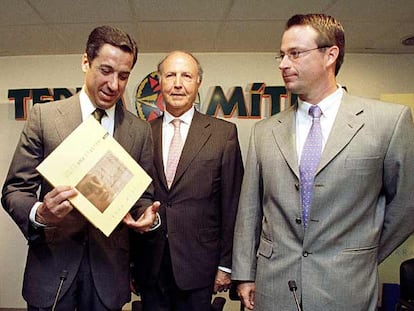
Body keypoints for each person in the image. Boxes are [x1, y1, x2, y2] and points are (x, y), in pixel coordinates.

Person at [231, 13, 414, 311]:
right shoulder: (264, 132)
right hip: (274, 285)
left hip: (347, 286)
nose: (283, 64)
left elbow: (407, 203)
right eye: (282, 55)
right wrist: (244, 275)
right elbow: (249, 210)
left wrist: (362, 252)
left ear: (331, 55)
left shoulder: (388, 122)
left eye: (295, 54)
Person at [2, 25, 160, 311]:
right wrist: (40, 213)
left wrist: (147, 217)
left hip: (109, 277)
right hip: (51, 270)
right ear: (85, 62)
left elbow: (142, 198)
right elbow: (14, 190)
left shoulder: (139, 131)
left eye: (123, 76)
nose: (114, 84)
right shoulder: (45, 117)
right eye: (105, 70)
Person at [130, 50, 244, 311]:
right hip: (150, 265)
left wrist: (226, 265)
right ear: (159, 82)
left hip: (200, 266)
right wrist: (131, 265)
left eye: (186, 76)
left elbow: (232, 204)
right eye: (170, 75)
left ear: (197, 83)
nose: (178, 83)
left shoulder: (222, 134)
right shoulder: (142, 133)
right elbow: (133, 198)